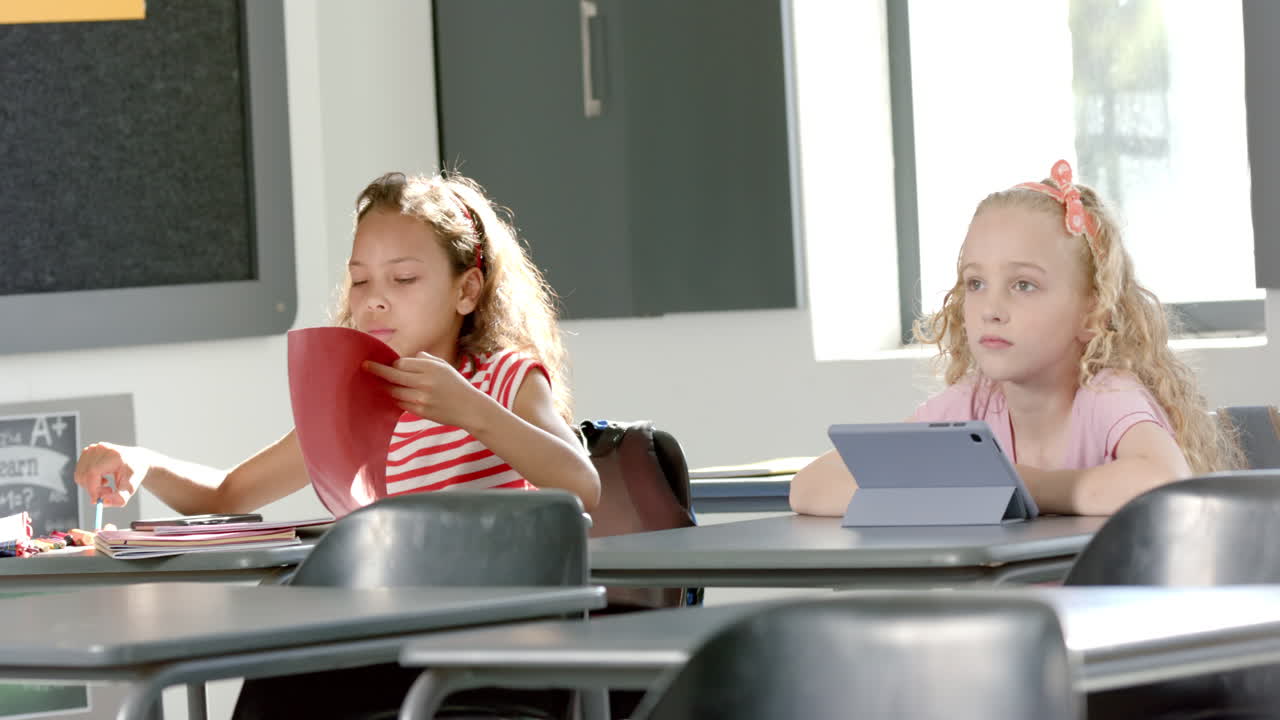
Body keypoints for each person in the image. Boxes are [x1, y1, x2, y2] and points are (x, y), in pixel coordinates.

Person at [75, 171, 601, 514]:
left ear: (466, 290)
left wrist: (472, 411)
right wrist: (142, 462)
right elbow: (228, 495)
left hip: (491, 638)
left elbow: (583, 486)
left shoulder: (503, 378)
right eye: (361, 280)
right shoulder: (349, 406)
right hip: (389, 638)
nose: (374, 300)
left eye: (404, 279)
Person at [790, 159, 1242, 517]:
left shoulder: (1107, 396)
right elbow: (811, 488)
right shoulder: (970, 406)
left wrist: (1016, 487)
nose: (991, 309)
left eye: (1023, 285)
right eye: (975, 283)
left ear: (1093, 312)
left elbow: (1162, 481)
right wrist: (952, 496)